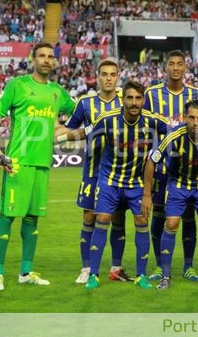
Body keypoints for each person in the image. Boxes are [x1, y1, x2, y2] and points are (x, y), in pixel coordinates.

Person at [0, 42, 75, 291]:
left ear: (55, 61)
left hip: (42, 163)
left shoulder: (58, 92)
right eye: (42, 56)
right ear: (33, 59)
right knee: (8, 215)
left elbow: (81, 111)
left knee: (32, 218)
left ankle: (26, 271)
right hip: (18, 162)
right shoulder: (17, 85)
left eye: (51, 56)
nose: (47, 60)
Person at [84, 81, 170, 289]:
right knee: (102, 218)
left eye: (138, 98)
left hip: (136, 183)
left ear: (143, 100)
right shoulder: (107, 120)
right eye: (130, 98)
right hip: (109, 181)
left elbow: (173, 131)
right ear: (123, 100)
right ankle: (93, 275)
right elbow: (90, 143)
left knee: (142, 221)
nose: (134, 102)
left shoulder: (152, 121)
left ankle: (141, 275)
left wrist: (157, 154)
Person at [142, 100, 198, 290]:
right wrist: (147, 194)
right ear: (184, 118)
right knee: (171, 223)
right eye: (191, 118)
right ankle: (166, 275)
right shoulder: (174, 135)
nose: (195, 122)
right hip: (178, 184)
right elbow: (152, 160)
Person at [63, 58, 130, 285]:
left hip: (121, 171)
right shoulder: (85, 103)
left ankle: (116, 267)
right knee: (89, 216)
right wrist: (91, 129)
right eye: (105, 74)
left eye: (113, 74)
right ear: (97, 76)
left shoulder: (126, 101)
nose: (109, 78)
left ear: (118, 77)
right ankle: (86, 267)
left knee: (118, 218)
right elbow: (68, 133)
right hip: (93, 170)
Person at [143, 50, 198, 282]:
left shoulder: (195, 93)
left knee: (188, 216)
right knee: (158, 215)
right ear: (165, 67)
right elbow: (145, 126)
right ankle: (159, 265)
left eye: (180, 64)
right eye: (171, 64)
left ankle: (188, 266)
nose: (175, 68)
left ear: (185, 68)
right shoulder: (152, 93)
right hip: (160, 168)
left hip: (187, 167)